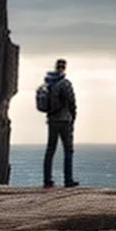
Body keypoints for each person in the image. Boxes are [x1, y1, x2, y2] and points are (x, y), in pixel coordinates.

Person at [42, 58, 79, 188]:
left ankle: (47, 180)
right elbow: (72, 102)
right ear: (64, 68)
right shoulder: (65, 83)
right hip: (64, 120)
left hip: (52, 120)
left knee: (50, 149)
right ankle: (68, 180)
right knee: (68, 150)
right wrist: (73, 117)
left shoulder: (48, 83)